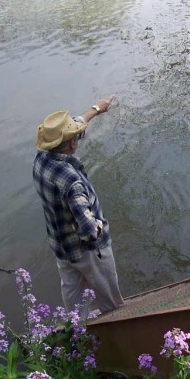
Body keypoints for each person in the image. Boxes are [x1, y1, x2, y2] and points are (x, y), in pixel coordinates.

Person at [33, 94, 124, 314]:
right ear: (73, 143)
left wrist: (96, 108)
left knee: (74, 303)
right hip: (89, 252)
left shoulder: (41, 158)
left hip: (61, 248)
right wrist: (99, 226)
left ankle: (79, 331)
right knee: (111, 301)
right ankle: (114, 321)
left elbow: (76, 124)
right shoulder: (72, 182)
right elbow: (88, 228)